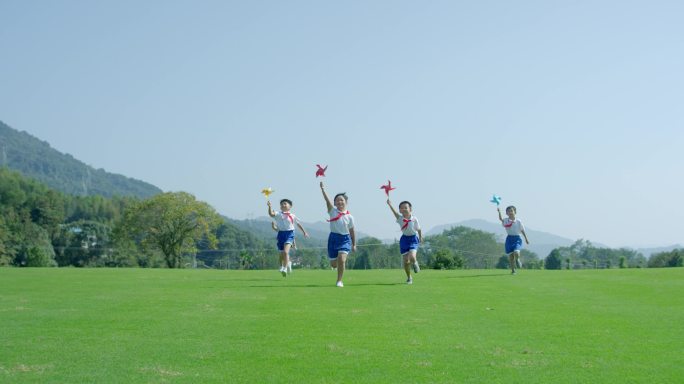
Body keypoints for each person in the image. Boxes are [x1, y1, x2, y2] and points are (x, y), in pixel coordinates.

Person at [320, 181, 356, 287]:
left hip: (345, 239)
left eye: (342, 200)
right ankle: (336, 266)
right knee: (334, 264)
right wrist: (323, 190)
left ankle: (339, 280)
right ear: (335, 203)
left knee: (342, 259)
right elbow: (327, 200)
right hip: (333, 238)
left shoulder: (350, 217)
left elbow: (352, 231)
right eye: (337, 200)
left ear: (346, 202)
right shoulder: (332, 211)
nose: (340, 202)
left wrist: (354, 244)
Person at [268, 199, 309, 277]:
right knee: (281, 254)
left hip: (289, 234)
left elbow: (298, 224)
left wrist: (304, 232)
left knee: (286, 252)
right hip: (281, 234)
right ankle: (282, 266)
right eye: (281, 204)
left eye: (285, 204)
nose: (283, 205)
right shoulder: (278, 214)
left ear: (290, 206)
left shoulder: (293, 215)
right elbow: (271, 214)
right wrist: (269, 206)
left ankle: (285, 268)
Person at [387, 199, 422, 284]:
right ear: (400, 210)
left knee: (413, 257)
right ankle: (409, 277)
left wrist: (421, 237)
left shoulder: (414, 219)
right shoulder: (400, 219)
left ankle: (415, 263)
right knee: (406, 261)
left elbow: (419, 229)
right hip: (404, 240)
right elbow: (394, 213)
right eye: (401, 208)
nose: (403, 209)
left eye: (405, 207)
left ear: (410, 209)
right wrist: (390, 205)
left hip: (413, 239)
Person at [497, 205, 530, 274]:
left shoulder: (518, 221)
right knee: (511, 256)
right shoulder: (506, 220)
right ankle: (513, 270)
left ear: (515, 212)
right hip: (509, 239)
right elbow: (501, 219)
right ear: (506, 213)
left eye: (511, 211)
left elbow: (522, 230)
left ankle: (517, 259)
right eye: (508, 211)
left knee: (516, 252)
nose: (510, 212)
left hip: (517, 238)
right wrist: (499, 211)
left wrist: (526, 239)